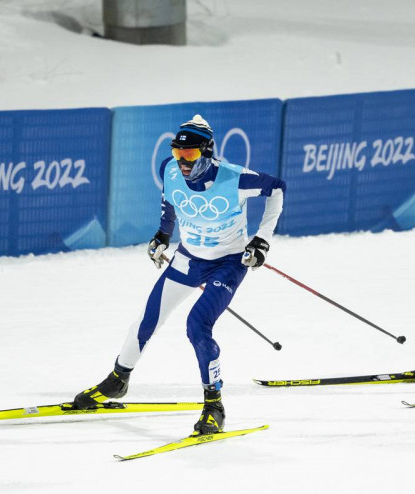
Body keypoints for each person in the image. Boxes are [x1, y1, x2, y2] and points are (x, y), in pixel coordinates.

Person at [73, 114, 286, 435]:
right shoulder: (169, 169)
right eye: (177, 153)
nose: (182, 162)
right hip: (188, 259)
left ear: (207, 152)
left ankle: (214, 406)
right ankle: (118, 381)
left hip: (228, 263)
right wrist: (162, 235)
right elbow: (170, 201)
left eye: (189, 155)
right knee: (146, 321)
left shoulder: (235, 178)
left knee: (197, 327)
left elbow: (278, 189)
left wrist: (262, 239)